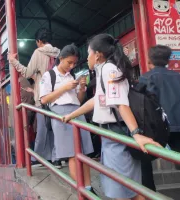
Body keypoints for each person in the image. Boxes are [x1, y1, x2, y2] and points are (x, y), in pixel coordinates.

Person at [62, 33, 161, 200]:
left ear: (98, 55)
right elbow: (96, 101)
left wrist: (136, 133)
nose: (87, 58)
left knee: (125, 191)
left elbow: (121, 104)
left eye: (89, 53)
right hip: (110, 137)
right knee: (125, 190)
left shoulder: (109, 70)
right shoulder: (104, 70)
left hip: (117, 134)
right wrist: (71, 115)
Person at [39, 44, 94, 192]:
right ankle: (81, 189)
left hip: (77, 110)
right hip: (60, 112)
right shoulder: (49, 75)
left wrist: (82, 88)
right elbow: (44, 99)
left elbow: (79, 99)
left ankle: (89, 187)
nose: (72, 65)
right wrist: (64, 87)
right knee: (72, 154)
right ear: (61, 58)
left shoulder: (72, 76)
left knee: (84, 152)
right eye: (69, 62)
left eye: (74, 63)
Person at [8, 27, 61, 167]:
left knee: (43, 128)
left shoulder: (39, 52)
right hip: (58, 96)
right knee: (55, 127)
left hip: (43, 96)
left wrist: (13, 61)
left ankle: (38, 157)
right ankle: (57, 157)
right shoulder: (58, 53)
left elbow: (26, 72)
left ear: (38, 41)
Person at [138, 45, 180, 191]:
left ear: (149, 60)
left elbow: (140, 103)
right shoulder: (178, 77)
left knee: (144, 159)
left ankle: (150, 193)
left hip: (156, 129)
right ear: (168, 60)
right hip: (177, 127)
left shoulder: (145, 78)